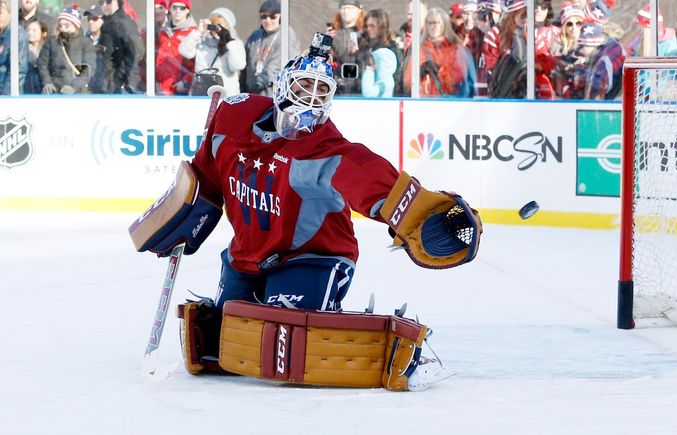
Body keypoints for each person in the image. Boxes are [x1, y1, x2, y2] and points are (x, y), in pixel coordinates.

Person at [131, 33, 481, 392]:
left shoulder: (325, 148)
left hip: (315, 257)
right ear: (282, 85)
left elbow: (372, 178)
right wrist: (185, 217)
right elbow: (205, 175)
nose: (311, 98)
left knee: (286, 342)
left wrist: (417, 212)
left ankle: (399, 353)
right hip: (246, 256)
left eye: (321, 91)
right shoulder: (233, 116)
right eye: (303, 87)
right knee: (223, 349)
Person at [405, 7, 474, 97]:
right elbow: (407, 82)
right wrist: (419, 73)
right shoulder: (420, 49)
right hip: (424, 101)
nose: (433, 26)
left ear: (444, 24)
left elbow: (459, 79)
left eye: (436, 23)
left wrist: (439, 70)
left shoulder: (456, 49)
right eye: (430, 23)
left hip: (450, 102)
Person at [242, 0, 300, 96]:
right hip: (252, 93)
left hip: (274, 94)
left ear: (281, 17)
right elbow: (245, 64)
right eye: (264, 16)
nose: (268, 20)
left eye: (273, 16)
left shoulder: (287, 35)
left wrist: (259, 83)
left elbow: (277, 66)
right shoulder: (255, 35)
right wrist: (243, 87)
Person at [37, 4, 96, 94]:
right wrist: (47, 82)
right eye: (60, 26)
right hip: (54, 90)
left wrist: (74, 87)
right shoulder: (52, 42)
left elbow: (89, 68)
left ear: (76, 26)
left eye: (66, 26)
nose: (62, 29)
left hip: (78, 93)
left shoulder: (86, 43)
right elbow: (42, 64)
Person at [566, 20, 625, 100]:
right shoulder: (595, 59)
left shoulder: (602, 61)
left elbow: (598, 88)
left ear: (593, 45)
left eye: (582, 46)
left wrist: (579, 79)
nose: (579, 50)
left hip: (603, 106)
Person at [100, 0, 144, 94]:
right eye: (101, 2)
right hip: (107, 82)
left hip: (120, 85)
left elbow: (136, 52)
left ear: (118, 2)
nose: (104, 5)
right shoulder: (106, 23)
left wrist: (130, 82)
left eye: (108, 1)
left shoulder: (124, 23)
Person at [156, 0, 196, 95]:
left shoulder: (194, 33)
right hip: (159, 89)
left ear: (187, 10)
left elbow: (200, 63)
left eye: (182, 8)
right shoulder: (162, 32)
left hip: (180, 90)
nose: (178, 11)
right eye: (174, 7)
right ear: (169, 9)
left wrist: (186, 81)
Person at [328, 0, 366, 95]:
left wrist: (357, 53)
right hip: (338, 88)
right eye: (343, 8)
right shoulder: (334, 34)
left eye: (350, 8)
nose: (346, 11)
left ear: (359, 10)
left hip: (361, 87)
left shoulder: (366, 33)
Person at [359, 8, 398, 98]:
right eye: (367, 26)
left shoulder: (389, 51)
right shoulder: (366, 45)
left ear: (381, 27)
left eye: (372, 26)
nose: (368, 29)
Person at [0, 0, 29, 95]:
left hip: (7, 94)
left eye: (0, 13)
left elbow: (18, 71)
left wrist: (6, 98)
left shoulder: (17, 35)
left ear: (11, 14)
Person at [83, 4, 111, 94]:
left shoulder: (112, 40)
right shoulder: (83, 40)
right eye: (88, 19)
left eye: (94, 19)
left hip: (108, 91)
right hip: (88, 90)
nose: (90, 22)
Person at [23, 18, 48, 94]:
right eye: (28, 30)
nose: (30, 33)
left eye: (34, 30)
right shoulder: (23, 50)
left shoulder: (48, 49)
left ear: (44, 33)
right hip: (27, 88)